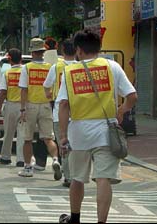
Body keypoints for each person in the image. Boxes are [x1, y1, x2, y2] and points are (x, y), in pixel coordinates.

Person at [57, 29, 137, 224]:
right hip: (106, 133)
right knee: (103, 178)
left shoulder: (69, 71)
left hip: (79, 134)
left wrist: (63, 136)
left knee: (77, 178)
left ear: (78, 49)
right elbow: (132, 96)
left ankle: (74, 218)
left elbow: (63, 105)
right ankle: (101, 221)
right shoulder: (112, 67)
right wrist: (121, 110)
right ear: (98, 47)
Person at [18, 38, 61, 179]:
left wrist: (22, 109)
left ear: (32, 52)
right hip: (46, 105)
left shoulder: (27, 68)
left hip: (30, 105)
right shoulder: (50, 67)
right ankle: (55, 159)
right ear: (43, 51)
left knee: (28, 139)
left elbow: (24, 89)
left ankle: (28, 167)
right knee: (48, 138)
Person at [44, 39, 77, 187]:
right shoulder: (80, 67)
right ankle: (78, 174)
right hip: (79, 113)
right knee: (77, 145)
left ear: (62, 51)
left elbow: (46, 87)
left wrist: (51, 96)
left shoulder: (56, 67)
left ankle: (68, 176)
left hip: (59, 112)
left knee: (63, 144)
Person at [0, 48, 25, 167]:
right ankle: (21, 159)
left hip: (11, 105)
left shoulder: (7, 73)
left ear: (9, 60)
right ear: (21, 59)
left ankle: (6, 157)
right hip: (24, 105)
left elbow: (3, 92)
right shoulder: (26, 71)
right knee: (22, 133)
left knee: (8, 132)